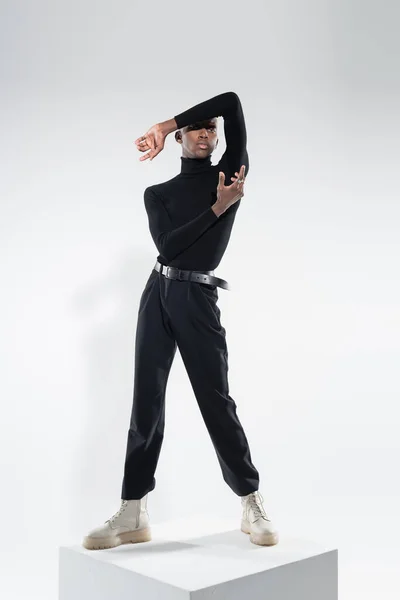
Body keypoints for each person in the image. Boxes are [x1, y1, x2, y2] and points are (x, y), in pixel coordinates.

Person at [82, 91, 279, 550]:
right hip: (157, 293)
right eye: (196, 128)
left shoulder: (230, 173)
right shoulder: (159, 194)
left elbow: (231, 101)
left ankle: (251, 499)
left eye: (210, 128)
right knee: (145, 402)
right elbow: (169, 249)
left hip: (197, 297)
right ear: (182, 141)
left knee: (216, 401)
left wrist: (166, 122)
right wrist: (219, 207)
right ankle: (133, 508)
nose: (206, 133)